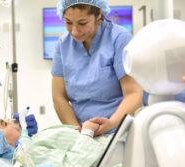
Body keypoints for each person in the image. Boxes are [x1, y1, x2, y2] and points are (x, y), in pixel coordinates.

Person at [51, 0, 143, 136]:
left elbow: (133, 93)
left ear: (98, 14)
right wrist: (78, 133)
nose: (75, 31)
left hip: (119, 131)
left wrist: (112, 123)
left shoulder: (119, 39)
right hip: (82, 132)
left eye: (82, 23)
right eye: (68, 22)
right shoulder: (63, 45)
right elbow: (59, 97)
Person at [0, 116, 111, 167]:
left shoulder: (30, 143)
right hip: (113, 156)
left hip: (112, 143)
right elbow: (74, 162)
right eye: (4, 123)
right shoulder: (26, 153)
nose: (12, 121)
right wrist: (87, 132)